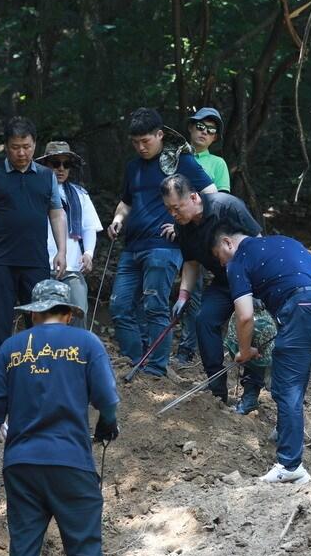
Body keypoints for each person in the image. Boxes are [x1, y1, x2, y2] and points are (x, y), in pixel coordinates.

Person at [0, 280, 122, 556]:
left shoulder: (11, 349)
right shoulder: (87, 343)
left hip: (21, 463)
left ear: (34, 313)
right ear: (69, 313)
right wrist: (106, 425)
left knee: (24, 545)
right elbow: (108, 401)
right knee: (84, 546)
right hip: (71, 461)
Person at [214, 230, 311, 484]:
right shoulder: (287, 240)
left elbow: (244, 316)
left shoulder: (238, 261)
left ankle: (289, 465)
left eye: (219, 258)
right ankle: (286, 430)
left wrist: (245, 352)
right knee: (291, 377)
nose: (222, 265)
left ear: (227, 243)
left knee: (286, 386)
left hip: (305, 309)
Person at [106, 108, 216, 379]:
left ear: (160, 135)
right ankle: (137, 361)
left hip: (164, 248)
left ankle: (155, 369)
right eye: (135, 142)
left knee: (155, 305)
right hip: (131, 247)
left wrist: (183, 226)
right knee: (119, 306)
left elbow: (212, 195)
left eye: (146, 141)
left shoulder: (181, 163)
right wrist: (118, 218)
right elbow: (127, 201)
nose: (141, 147)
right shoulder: (133, 167)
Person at [0, 117, 68, 356]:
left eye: (27, 146)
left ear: (35, 144)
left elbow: (57, 213)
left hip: (36, 258)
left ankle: (41, 366)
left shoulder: (46, 176)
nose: (21, 152)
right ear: (6, 146)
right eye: (15, 147)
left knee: (40, 317)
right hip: (1, 259)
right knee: (1, 318)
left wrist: (61, 251)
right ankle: (0, 370)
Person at [160, 173, 265, 412]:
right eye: (169, 210)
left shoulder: (227, 207)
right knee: (204, 320)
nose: (173, 215)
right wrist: (183, 295)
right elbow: (191, 262)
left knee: (254, 326)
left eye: (177, 208)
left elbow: (260, 243)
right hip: (222, 281)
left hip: (251, 280)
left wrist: (260, 286)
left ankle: (250, 392)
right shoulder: (183, 227)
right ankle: (216, 388)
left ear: (194, 197)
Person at [171, 107, 232, 368]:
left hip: (202, 236)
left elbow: (220, 200)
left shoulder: (217, 163)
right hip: (171, 231)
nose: (204, 132)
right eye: (200, 126)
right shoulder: (175, 158)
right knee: (170, 290)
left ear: (215, 137)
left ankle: (188, 347)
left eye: (210, 129)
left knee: (195, 291)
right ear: (190, 127)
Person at [39, 141, 103, 328]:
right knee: (45, 317)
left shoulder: (79, 194)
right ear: (45, 165)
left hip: (72, 266)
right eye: (55, 163)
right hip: (41, 264)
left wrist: (88, 253)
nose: (61, 169)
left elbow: (89, 226)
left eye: (66, 164)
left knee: (78, 311)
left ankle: (76, 353)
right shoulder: (35, 190)